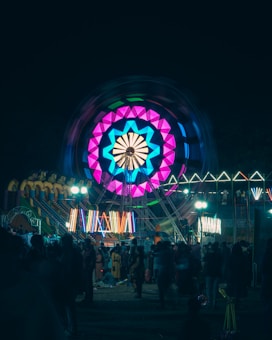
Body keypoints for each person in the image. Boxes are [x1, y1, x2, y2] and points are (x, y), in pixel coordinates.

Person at [260, 237, 272, 339]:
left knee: (267, 307)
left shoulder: (266, 254)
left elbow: (263, 268)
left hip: (267, 283)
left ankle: (266, 328)